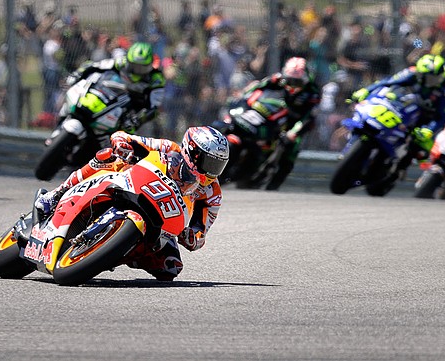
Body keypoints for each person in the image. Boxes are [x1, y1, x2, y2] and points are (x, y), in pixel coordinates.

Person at [35, 126, 230, 281]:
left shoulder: (213, 193)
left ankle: (108, 253)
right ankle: (56, 193)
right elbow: (124, 137)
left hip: (166, 217)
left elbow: (201, 233)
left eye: (218, 166)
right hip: (132, 184)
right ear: (192, 152)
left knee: (170, 268)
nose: (213, 172)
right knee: (108, 156)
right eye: (210, 163)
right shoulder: (168, 148)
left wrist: (191, 237)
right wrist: (121, 143)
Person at [351, 53, 445, 175]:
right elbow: (387, 82)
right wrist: (366, 90)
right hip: (405, 107)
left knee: (420, 146)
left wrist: (429, 130)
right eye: (431, 77)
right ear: (421, 74)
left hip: (428, 117)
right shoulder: (412, 73)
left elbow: (442, 116)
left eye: (437, 77)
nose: (435, 81)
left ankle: (402, 166)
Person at [238, 56, 321, 189]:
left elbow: (309, 117)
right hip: (273, 117)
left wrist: (294, 132)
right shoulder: (278, 79)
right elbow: (258, 87)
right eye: (290, 81)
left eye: (297, 82)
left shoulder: (313, 92)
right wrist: (244, 96)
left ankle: (273, 181)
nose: (292, 86)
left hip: (295, 124)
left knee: (290, 146)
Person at [66, 41, 165, 132]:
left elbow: (154, 108)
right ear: (128, 61)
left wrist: (138, 119)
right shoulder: (121, 62)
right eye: (134, 66)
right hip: (110, 97)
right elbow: (95, 65)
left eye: (142, 68)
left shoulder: (156, 79)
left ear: (150, 65)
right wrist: (77, 74)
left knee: (127, 137)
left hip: (129, 111)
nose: (137, 71)